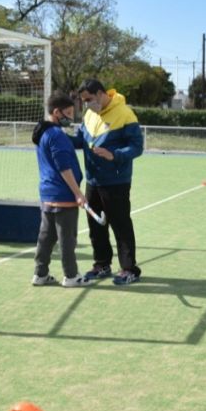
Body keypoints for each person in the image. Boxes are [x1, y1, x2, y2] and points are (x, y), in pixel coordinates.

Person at [75, 79, 145, 286]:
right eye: (83, 101)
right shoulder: (89, 115)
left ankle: (129, 269)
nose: (86, 104)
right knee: (95, 224)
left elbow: (137, 147)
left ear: (100, 94)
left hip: (116, 181)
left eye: (88, 99)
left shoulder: (125, 113)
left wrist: (114, 155)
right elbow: (80, 140)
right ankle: (102, 264)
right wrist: (53, 135)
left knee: (120, 224)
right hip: (93, 180)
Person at [30, 92, 93, 288]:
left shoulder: (45, 132)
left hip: (47, 194)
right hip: (63, 194)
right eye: (68, 112)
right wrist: (78, 193)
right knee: (67, 239)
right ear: (56, 112)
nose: (70, 117)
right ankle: (71, 276)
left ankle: (40, 274)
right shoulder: (57, 135)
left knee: (46, 238)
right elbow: (64, 167)